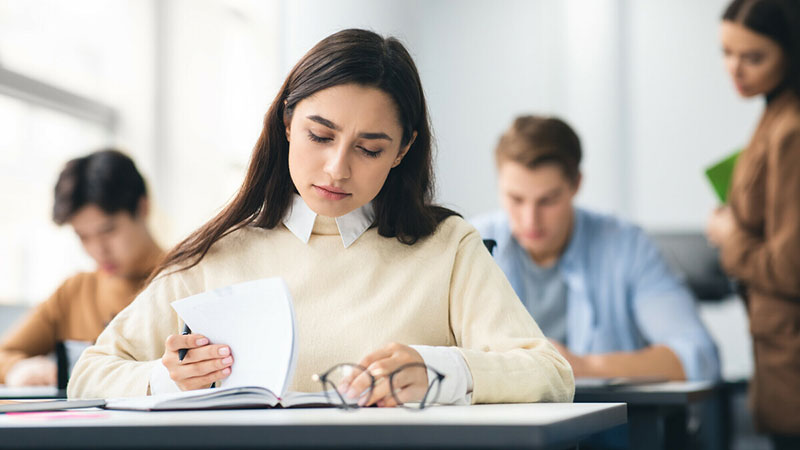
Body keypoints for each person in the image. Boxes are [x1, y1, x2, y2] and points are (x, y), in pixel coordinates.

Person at [67, 29, 574, 406]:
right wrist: (166, 377)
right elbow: (90, 375)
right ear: (288, 124)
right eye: (320, 135)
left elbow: (551, 373)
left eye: (369, 149)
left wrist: (442, 371)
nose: (337, 168)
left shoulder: (448, 246)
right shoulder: (217, 251)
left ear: (402, 151)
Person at [472, 116, 720, 383]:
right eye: (516, 199)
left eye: (548, 200)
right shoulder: (470, 244)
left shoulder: (627, 246)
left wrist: (581, 366)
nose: (530, 219)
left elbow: (700, 356)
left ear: (576, 184)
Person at [707, 0, 800, 445]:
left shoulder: (792, 129)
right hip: (777, 350)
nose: (735, 69)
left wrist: (730, 237)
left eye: (753, 57)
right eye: (727, 52)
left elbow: (790, 267)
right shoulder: (774, 112)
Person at [0, 149, 163, 387]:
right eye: (82, 236)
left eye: (108, 231)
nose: (98, 250)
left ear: (143, 208)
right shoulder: (75, 292)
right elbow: (5, 354)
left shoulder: (186, 279)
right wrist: (18, 370)